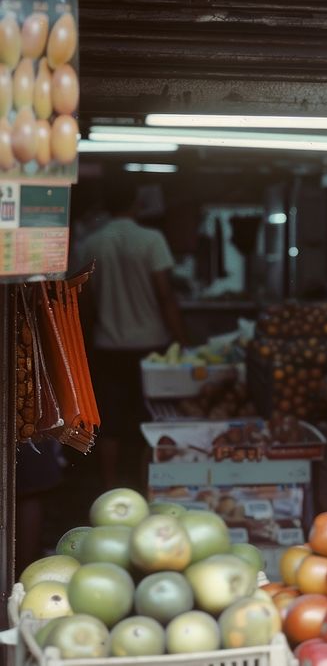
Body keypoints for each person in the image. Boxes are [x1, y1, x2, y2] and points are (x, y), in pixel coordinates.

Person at [77, 178, 188, 490]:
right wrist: (181, 339)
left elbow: (83, 301)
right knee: (151, 417)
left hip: (107, 343)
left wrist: (86, 340)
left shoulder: (92, 242)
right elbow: (166, 294)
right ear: (136, 203)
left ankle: (110, 485)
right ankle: (149, 484)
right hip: (151, 345)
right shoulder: (152, 239)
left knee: (109, 420)